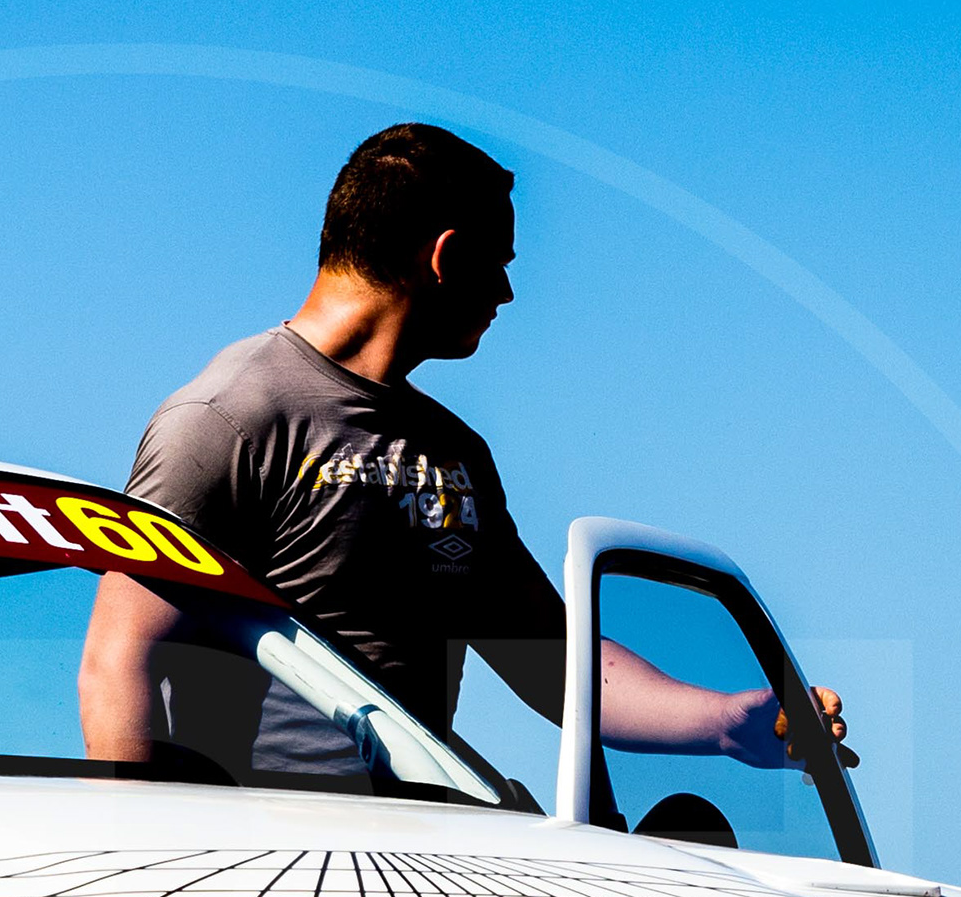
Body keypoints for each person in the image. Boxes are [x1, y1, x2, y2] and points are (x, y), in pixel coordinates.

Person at [79, 122, 835, 783]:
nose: (506, 292)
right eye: (499, 261)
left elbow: (549, 660)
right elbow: (120, 658)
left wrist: (728, 720)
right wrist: (151, 858)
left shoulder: (454, 452)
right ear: (447, 255)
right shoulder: (230, 416)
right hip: (270, 869)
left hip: (417, 862)